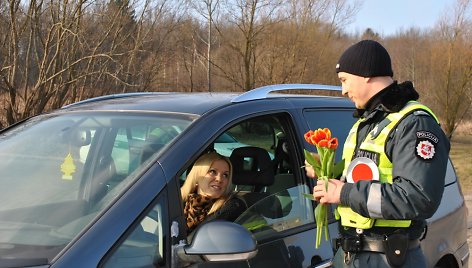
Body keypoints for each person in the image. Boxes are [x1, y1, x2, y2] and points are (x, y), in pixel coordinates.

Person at [306, 40, 450, 267]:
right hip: (354, 254)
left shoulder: (414, 123)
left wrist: (344, 193)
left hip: (389, 258)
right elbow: (371, 175)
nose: (343, 90)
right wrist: (330, 170)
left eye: (344, 80)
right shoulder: (370, 120)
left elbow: (419, 198)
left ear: (365, 74)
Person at [181, 151, 246, 235]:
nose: (219, 179)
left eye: (225, 175)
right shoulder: (175, 203)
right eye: (212, 172)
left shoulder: (232, 206)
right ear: (197, 176)